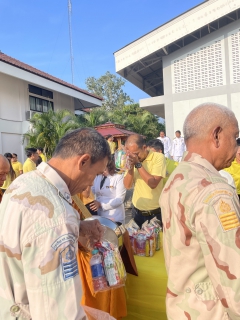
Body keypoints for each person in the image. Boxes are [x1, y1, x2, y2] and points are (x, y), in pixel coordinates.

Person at [0, 128, 110, 320]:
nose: (90, 185)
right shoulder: (58, 218)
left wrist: (78, 226)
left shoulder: (23, 183)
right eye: (95, 174)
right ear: (83, 162)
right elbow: (59, 313)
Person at [160, 103, 240, 319]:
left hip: (183, 308)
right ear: (216, 135)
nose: (236, 148)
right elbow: (234, 281)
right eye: (235, 138)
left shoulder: (177, 179)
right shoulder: (215, 191)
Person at [124, 134, 166, 227]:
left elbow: (153, 183)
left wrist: (138, 164)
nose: (134, 157)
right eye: (131, 154)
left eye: (136, 153)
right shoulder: (131, 159)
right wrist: (130, 169)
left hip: (155, 214)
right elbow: (127, 186)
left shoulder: (158, 157)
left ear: (144, 147)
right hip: (137, 212)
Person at [90, 159, 126, 224]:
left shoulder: (118, 177)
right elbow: (92, 190)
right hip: (100, 215)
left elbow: (120, 200)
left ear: (110, 167)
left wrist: (101, 205)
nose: (103, 171)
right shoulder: (98, 177)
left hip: (115, 216)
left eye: (105, 169)